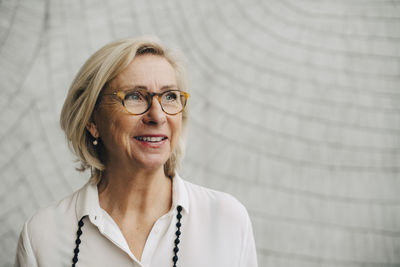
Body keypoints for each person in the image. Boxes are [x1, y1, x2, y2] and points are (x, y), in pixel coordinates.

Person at [14, 37, 258, 267]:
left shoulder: (227, 220)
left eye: (170, 96)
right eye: (134, 97)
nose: (158, 116)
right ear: (92, 120)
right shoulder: (42, 236)